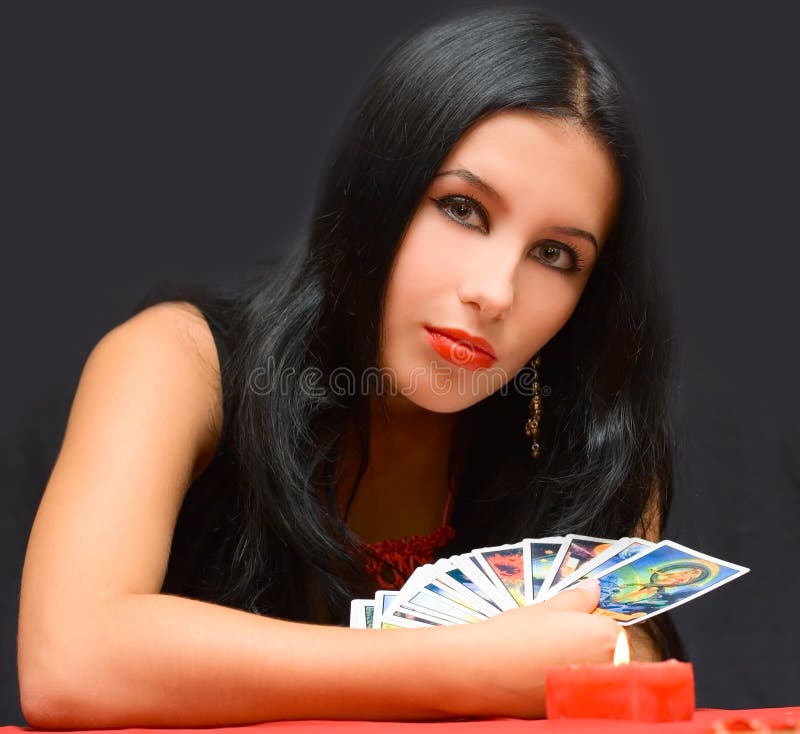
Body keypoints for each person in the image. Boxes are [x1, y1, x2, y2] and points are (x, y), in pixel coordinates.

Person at [17, 4, 686, 727]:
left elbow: (627, 673)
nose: (493, 293)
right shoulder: (180, 360)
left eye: (556, 255)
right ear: (375, 190)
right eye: (462, 208)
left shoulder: (585, 451)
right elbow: (69, 661)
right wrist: (463, 671)